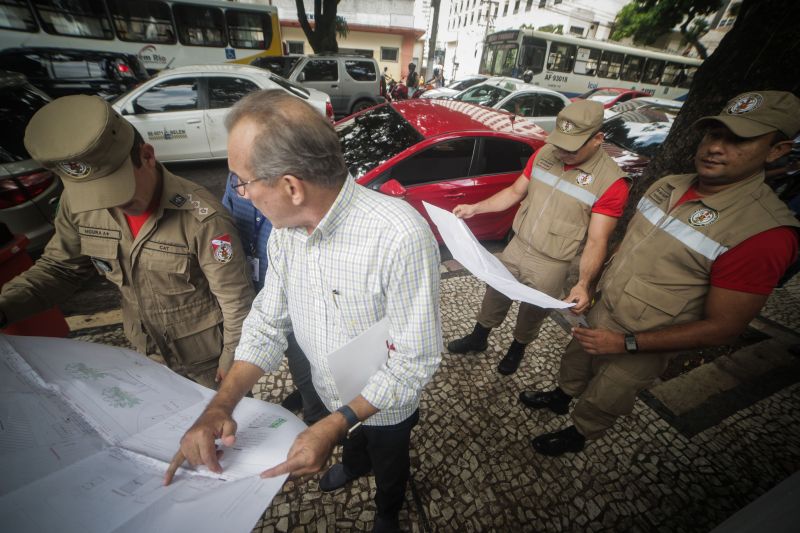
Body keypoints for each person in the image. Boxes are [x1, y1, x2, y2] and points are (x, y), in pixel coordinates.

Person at [164, 90, 442, 533]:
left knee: (390, 459)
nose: (240, 193)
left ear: (291, 187)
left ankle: (389, 509)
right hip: (331, 394)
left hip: (387, 405)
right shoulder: (285, 233)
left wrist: (334, 424)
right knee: (353, 446)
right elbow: (268, 323)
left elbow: (417, 359)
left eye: (242, 181)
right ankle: (353, 465)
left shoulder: (399, 236)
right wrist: (220, 405)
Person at [523, 90, 800, 456]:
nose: (717, 147)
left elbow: (724, 327)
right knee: (574, 362)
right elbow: (631, 245)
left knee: (608, 394)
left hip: (646, 338)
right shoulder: (667, 185)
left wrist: (627, 343)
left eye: (739, 140)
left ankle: (578, 434)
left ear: (777, 150)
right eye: (715, 134)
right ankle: (561, 397)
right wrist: (588, 285)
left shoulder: (764, 233)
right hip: (601, 313)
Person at [0, 95, 255, 388]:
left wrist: (232, 369)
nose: (112, 205)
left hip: (205, 364)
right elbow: (60, 269)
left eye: (119, 190)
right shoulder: (79, 204)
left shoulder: (203, 219)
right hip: (145, 354)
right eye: (97, 194)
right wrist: (5, 307)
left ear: (147, 156)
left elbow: (236, 302)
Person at [448, 100, 630, 375]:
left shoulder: (611, 182)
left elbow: (597, 241)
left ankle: (516, 349)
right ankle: (479, 337)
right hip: (517, 245)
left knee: (533, 311)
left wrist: (583, 283)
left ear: (597, 139)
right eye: (560, 143)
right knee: (495, 293)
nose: (562, 152)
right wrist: (475, 208)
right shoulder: (545, 153)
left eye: (572, 147)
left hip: (553, 261)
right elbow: (514, 192)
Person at [221, 175, 328, 423]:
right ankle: (307, 397)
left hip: (298, 298)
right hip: (257, 288)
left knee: (305, 365)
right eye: (239, 185)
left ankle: (316, 417)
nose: (243, 193)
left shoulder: (290, 213)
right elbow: (227, 220)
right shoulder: (237, 179)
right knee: (294, 362)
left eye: (248, 183)